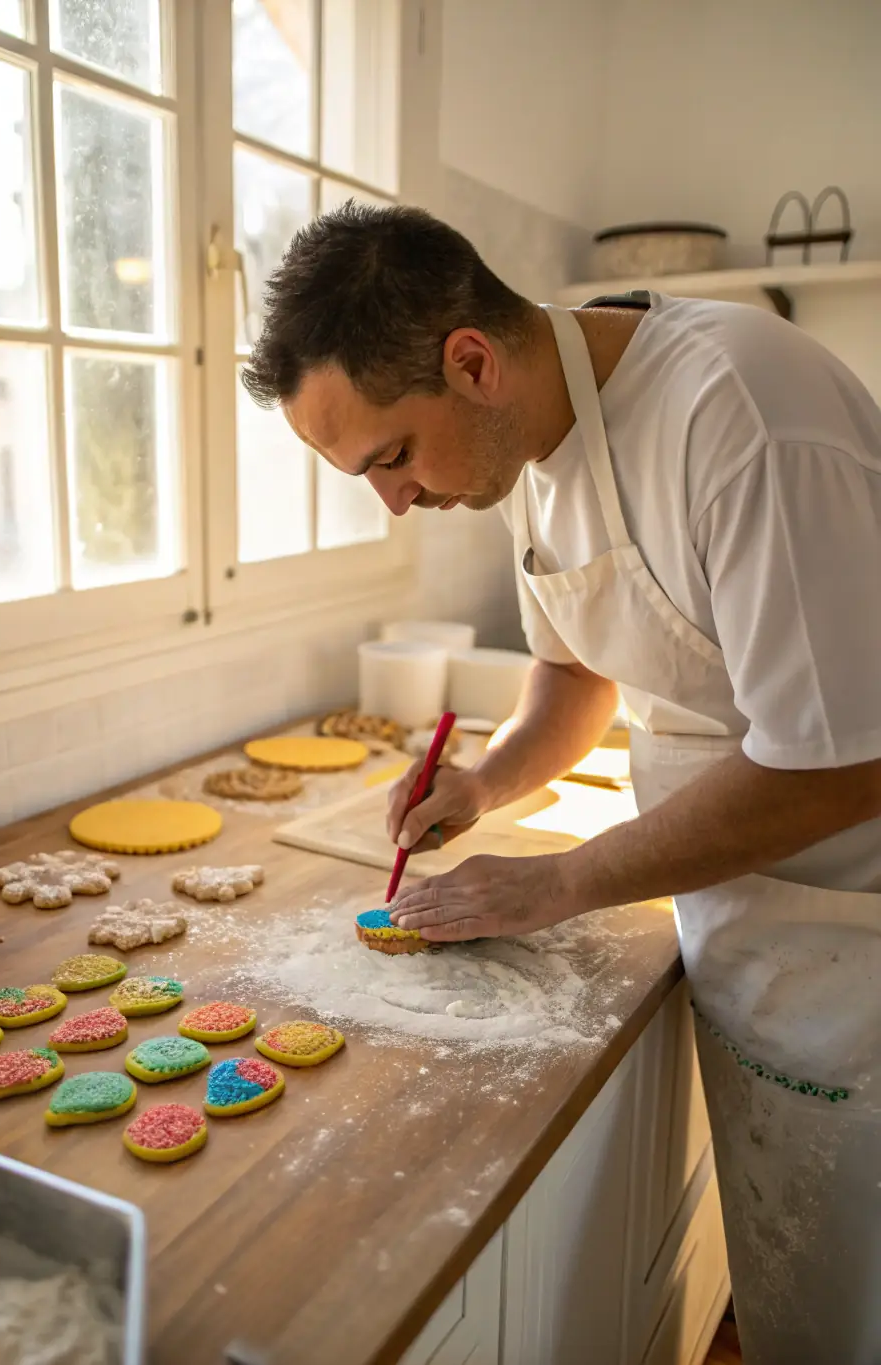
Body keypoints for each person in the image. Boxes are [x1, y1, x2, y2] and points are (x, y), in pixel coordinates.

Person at [241, 201, 881, 1364]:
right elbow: (575, 673)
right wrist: (484, 784)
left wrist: (556, 885)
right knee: (800, 1290)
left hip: (858, 939)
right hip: (741, 912)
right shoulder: (524, 447)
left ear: (470, 360)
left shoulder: (740, 415)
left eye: (390, 458)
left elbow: (839, 767)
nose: (392, 500)